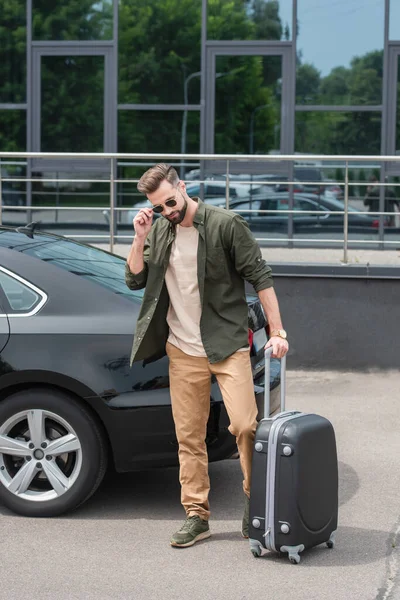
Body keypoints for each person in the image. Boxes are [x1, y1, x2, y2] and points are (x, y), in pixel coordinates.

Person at [125, 163, 289, 548]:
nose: (168, 211)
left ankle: (256, 503)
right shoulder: (160, 228)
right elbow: (134, 277)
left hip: (227, 344)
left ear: (183, 187)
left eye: (171, 202)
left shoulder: (226, 224)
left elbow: (261, 278)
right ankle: (196, 516)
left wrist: (278, 331)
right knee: (189, 437)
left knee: (246, 426)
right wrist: (139, 237)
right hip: (182, 350)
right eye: (159, 207)